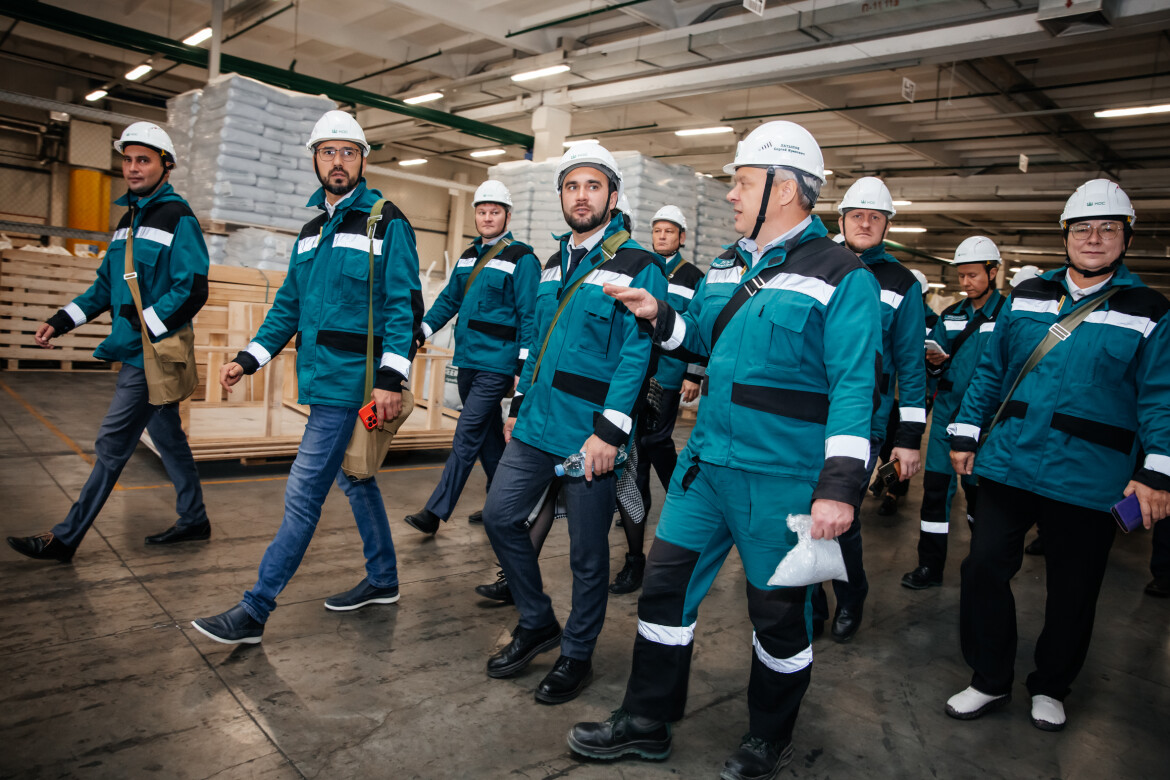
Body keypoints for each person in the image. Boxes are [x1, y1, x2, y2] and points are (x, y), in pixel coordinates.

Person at [568, 121, 881, 779]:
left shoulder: (842, 276)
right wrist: (658, 316)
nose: (731, 195)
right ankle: (646, 721)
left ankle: (769, 736)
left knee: (777, 616)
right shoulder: (728, 264)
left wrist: (839, 487)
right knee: (664, 591)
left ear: (785, 188)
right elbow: (702, 341)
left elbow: (855, 388)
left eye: (742, 183)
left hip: (782, 481)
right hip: (705, 470)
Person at [944, 179, 1170, 731]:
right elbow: (992, 369)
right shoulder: (1029, 295)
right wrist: (965, 432)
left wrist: (1156, 473)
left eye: (1107, 228)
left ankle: (1051, 685)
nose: (1094, 238)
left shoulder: (1150, 310)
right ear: (1065, 235)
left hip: (1089, 475)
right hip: (1011, 460)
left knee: (1074, 587)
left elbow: (1161, 397)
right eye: (1083, 228)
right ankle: (989, 678)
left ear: (1126, 238)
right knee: (982, 567)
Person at [190, 111, 421, 644]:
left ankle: (255, 609)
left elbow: (403, 307)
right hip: (320, 380)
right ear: (315, 160)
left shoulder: (386, 222)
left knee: (303, 492)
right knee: (354, 478)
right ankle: (384, 578)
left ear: (363, 159)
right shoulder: (312, 231)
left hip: (352, 384)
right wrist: (248, 358)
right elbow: (288, 306)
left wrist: (390, 380)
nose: (338, 161)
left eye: (347, 152)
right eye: (327, 152)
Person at [480, 141, 665, 704]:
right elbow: (536, 343)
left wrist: (610, 434)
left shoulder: (638, 264)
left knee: (587, 554)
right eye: (572, 186)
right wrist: (518, 406)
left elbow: (637, 355)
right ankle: (537, 620)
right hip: (536, 422)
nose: (581, 196)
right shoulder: (553, 262)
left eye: (592, 186)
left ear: (613, 195)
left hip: (589, 435)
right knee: (500, 517)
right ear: (561, 195)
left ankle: (577, 654)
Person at [7, 123, 211, 562]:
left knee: (112, 443)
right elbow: (104, 288)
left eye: (144, 160)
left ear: (166, 166)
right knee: (168, 438)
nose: (133, 168)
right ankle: (195, 518)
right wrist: (61, 320)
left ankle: (65, 538)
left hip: (151, 356)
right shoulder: (127, 221)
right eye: (128, 159)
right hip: (135, 349)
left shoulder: (179, 217)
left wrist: (145, 325)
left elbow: (192, 288)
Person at [811, 176, 925, 642]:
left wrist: (909, 438)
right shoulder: (817, 263)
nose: (865, 223)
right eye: (856, 215)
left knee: (842, 516)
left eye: (875, 217)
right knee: (799, 512)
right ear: (840, 220)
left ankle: (850, 594)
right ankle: (811, 601)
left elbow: (911, 364)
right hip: (808, 413)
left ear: (886, 226)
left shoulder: (902, 283)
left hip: (863, 420)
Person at [402, 180, 540, 535]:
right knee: (489, 437)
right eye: (482, 212)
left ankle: (435, 511)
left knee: (466, 434)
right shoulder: (467, 256)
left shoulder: (522, 258)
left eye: (494, 212)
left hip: (497, 364)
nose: (487, 218)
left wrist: (522, 367)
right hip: (466, 361)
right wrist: (422, 331)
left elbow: (529, 316)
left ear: (507, 216)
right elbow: (449, 300)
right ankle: (504, 505)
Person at [901, 236, 1006, 590]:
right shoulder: (952, 315)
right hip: (946, 418)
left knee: (981, 500)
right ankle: (929, 566)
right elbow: (936, 369)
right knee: (934, 494)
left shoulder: (1010, 316)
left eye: (973, 275)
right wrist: (934, 362)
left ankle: (983, 566)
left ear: (993, 272)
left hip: (987, 424)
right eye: (961, 276)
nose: (966, 283)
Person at [611, 204, 706, 595]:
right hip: (636, 375)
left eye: (669, 231)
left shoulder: (692, 276)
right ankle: (642, 518)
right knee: (639, 452)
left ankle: (682, 498)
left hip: (666, 375)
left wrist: (693, 374)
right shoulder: (642, 266)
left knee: (653, 442)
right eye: (657, 230)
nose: (662, 236)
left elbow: (699, 327)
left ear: (681, 237)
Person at [873, 267, 936, 515]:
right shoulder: (892, 311)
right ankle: (886, 477)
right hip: (891, 394)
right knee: (886, 447)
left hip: (912, 397)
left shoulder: (932, 321)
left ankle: (893, 492)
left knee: (900, 447)